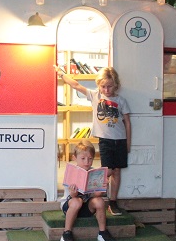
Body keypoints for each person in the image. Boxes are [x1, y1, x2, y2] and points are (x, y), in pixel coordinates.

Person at [55, 66, 131, 216]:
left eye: (110, 86)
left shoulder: (121, 101)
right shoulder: (95, 95)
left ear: (116, 85)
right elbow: (76, 85)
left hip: (120, 140)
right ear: (99, 86)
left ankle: (113, 202)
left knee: (117, 171)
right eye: (103, 86)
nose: (106, 90)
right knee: (107, 171)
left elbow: (127, 122)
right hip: (105, 140)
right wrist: (61, 74)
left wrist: (128, 143)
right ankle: (90, 191)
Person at [60, 140, 117, 241]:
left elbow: (96, 195)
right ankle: (66, 233)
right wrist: (73, 192)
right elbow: (72, 197)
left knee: (100, 201)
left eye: (90, 159)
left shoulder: (94, 173)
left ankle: (102, 233)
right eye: (83, 158)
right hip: (71, 207)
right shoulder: (72, 172)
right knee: (77, 201)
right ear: (74, 158)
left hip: (86, 207)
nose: (87, 162)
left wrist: (101, 189)